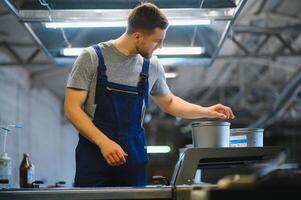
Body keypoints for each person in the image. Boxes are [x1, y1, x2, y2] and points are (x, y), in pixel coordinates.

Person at [64, 2, 235, 187]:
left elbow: (169, 102)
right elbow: (72, 109)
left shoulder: (152, 65)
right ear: (137, 36)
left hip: (132, 158)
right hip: (94, 157)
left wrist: (207, 111)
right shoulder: (92, 57)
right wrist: (103, 142)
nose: (160, 47)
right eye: (157, 40)